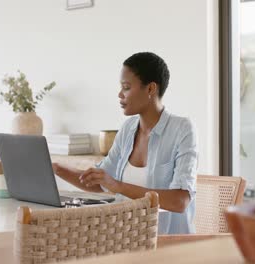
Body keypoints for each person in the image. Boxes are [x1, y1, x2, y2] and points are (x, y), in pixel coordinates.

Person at [53, 52, 198, 234]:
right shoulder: (128, 128)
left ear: (151, 89)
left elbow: (180, 201)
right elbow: (100, 181)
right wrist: (56, 168)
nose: (120, 94)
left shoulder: (182, 129)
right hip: (124, 239)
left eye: (126, 87)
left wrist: (118, 186)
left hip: (165, 246)